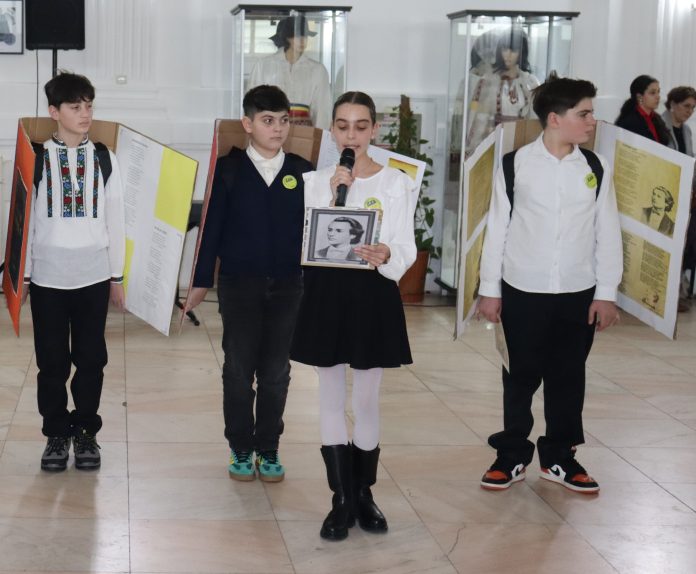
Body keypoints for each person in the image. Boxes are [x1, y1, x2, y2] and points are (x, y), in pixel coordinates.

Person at [477, 75, 623, 494]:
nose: (592, 121)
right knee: (519, 377)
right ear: (555, 119)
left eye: (591, 113)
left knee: (568, 377)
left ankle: (560, 457)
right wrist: (490, 289)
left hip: (578, 291)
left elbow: (607, 230)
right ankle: (511, 456)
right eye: (584, 113)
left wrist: (606, 293)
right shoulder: (515, 165)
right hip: (522, 289)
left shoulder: (595, 167)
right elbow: (498, 229)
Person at [291, 91, 416, 540]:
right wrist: (331, 194)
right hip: (326, 293)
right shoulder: (314, 182)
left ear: (374, 130)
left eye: (361, 126)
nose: (351, 135)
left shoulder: (396, 183)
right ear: (331, 131)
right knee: (329, 396)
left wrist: (387, 253)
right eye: (342, 126)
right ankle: (340, 497)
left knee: (365, 398)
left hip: (372, 293)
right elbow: (302, 242)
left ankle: (364, 492)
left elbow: (406, 245)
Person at [186, 85, 313, 482]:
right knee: (239, 369)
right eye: (267, 120)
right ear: (247, 123)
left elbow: (317, 231)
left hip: (288, 285)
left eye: (284, 121)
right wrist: (200, 281)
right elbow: (211, 229)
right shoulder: (229, 169)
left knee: (276, 370)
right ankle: (241, 445)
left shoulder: (303, 171)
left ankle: (268, 446)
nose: (277, 129)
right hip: (239, 284)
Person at [21, 71, 126, 472]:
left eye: (89, 105)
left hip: (93, 277)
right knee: (51, 363)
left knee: (91, 359)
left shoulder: (104, 157)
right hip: (48, 278)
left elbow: (116, 220)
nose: (85, 113)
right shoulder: (35, 157)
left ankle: (85, 432)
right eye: (75, 106)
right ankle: (55, 433)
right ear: (54, 112)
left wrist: (117, 277)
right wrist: (23, 277)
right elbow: (25, 223)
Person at [248, 15, 332, 129]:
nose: (302, 40)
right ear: (286, 38)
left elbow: (323, 110)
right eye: (297, 36)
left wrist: (320, 136)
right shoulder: (263, 65)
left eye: (305, 36)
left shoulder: (317, 70)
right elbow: (252, 104)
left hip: (303, 131)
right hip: (270, 128)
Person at [465, 27, 539, 157]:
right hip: (494, 141)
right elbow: (478, 118)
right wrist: (472, 150)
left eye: (513, 50)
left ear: (521, 52)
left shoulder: (530, 82)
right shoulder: (488, 81)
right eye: (504, 49)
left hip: (521, 144)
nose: (508, 55)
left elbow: (535, 118)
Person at [662, 86, 696, 311]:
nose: (690, 112)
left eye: (693, 108)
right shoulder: (660, 125)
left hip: (684, 193)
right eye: (686, 106)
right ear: (673, 104)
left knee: (683, 244)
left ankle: (677, 292)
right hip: (666, 190)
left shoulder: (687, 131)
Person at [615, 75, 671, 145]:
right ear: (639, 97)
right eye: (653, 93)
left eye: (658, 92)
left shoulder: (657, 118)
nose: (658, 96)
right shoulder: (629, 121)